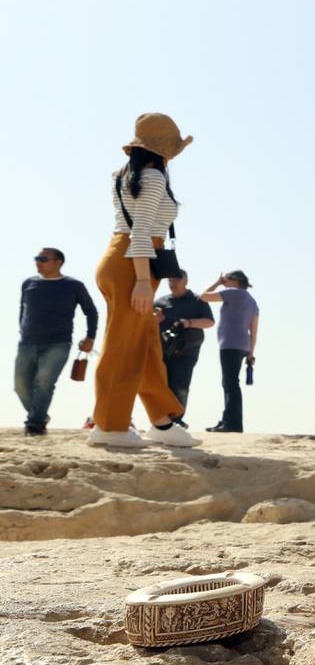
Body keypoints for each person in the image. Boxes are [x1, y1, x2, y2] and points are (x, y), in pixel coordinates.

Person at [91, 113, 197, 448]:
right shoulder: (151, 177)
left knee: (146, 343)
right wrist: (140, 280)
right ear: (163, 150)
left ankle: (163, 424)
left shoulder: (125, 175)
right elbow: (140, 230)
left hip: (123, 258)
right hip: (133, 263)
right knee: (124, 346)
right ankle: (109, 425)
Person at [16, 247, 97, 435]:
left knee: (43, 382)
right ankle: (40, 416)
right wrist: (22, 328)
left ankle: (34, 425)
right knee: (20, 385)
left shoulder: (74, 285)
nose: (38, 261)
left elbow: (91, 311)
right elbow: (23, 308)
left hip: (58, 343)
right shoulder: (28, 283)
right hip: (27, 342)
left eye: (43, 258)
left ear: (58, 262)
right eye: (37, 258)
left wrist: (90, 336)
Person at [199, 271, 258, 433]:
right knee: (230, 383)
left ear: (237, 281)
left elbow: (203, 297)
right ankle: (228, 420)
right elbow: (254, 331)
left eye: (227, 280)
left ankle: (232, 424)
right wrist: (251, 353)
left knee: (230, 383)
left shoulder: (234, 293)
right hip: (243, 345)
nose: (225, 283)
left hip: (230, 344)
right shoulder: (252, 301)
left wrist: (217, 282)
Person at [153, 271, 213, 420]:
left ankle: (176, 421)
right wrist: (154, 320)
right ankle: (163, 421)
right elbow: (146, 323)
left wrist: (189, 323)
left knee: (180, 386)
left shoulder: (198, 300)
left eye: (176, 280)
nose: (173, 283)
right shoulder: (160, 302)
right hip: (163, 351)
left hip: (187, 351)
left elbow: (210, 322)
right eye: (170, 280)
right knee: (162, 387)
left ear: (185, 281)